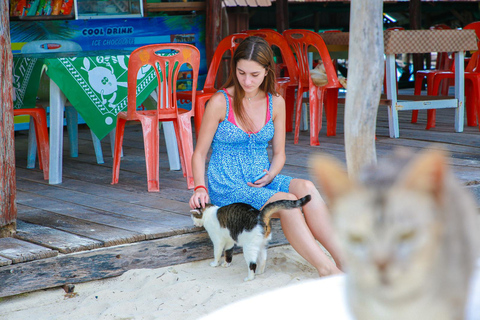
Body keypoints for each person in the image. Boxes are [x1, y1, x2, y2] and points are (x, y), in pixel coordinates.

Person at [189, 36, 343, 276]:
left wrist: (271, 173)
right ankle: (328, 270)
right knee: (288, 202)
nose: (247, 81)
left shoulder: (276, 102)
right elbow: (199, 153)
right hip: (228, 184)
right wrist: (199, 187)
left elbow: (280, 154)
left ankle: (345, 260)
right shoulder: (221, 102)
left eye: (254, 74)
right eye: (241, 73)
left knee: (306, 187)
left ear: (266, 71)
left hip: (262, 177)